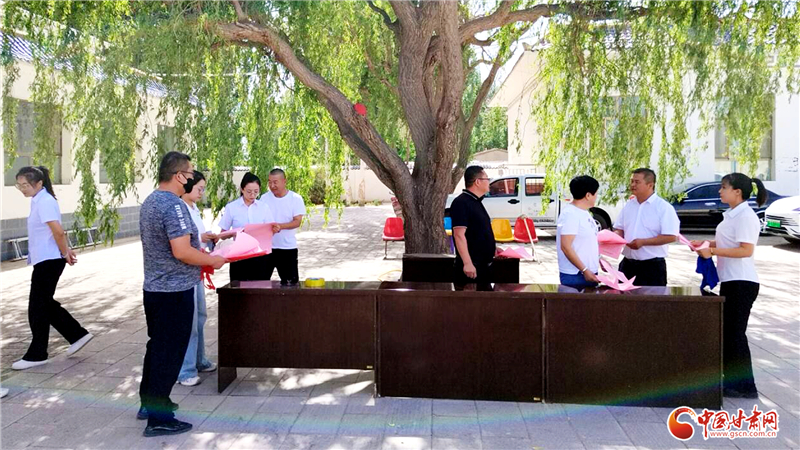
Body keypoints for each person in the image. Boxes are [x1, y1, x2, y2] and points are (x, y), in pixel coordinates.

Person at [138, 152, 226, 437]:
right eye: (190, 174)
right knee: (169, 353)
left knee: (156, 348)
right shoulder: (174, 205)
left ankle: (149, 403)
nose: (191, 178)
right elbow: (181, 251)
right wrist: (212, 260)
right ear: (179, 176)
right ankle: (159, 419)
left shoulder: (151, 201)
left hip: (155, 289)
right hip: (174, 291)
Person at [11, 166, 93, 371]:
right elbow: (52, 234)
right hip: (46, 259)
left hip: (49, 260)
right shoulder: (39, 200)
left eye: (25, 185)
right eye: (19, 185)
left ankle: (38, 354)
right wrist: (65, 250)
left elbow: (58, 231)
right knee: (44, 304)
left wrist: (65, 253)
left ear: (38, 183)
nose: (22, 189)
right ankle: (77, 335)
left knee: (37, 307)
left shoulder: (45, 201)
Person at [694, 173, 767, 399]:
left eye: (723, 187)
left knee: (735, 334)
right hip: (731, 280)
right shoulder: (732, 215)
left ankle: (746, 387)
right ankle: (732, 382)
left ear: (737, 192)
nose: (719, 191)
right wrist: (705, 244)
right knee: (729, 333)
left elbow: (746, 250)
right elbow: (729, 242)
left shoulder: (745, 216)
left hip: (742, 282)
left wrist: (712, 250)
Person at [176, 171, 218, 387]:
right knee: (189, 322)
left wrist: (208, 239)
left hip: (197, 271)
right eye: (199, 188)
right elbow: (183, 245)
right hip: (184, 274)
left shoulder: (193, 208)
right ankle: (185, 371)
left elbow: (196, 237)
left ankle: (199, 360)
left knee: (200, 317)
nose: (202, 193)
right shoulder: (179, 209)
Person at [613, 168, 680, 286]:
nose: (632, 185)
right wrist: (614, 237)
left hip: (652, 267)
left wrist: (643, 242)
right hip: (628, 265)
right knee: (622, 297)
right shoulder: (629, 205)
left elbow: (671, 236)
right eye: (631, 181)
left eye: (637, 182)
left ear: (650, 185)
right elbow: (620, 228)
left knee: (652, 298)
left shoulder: (663, 208)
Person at [218, 172, 274, 281]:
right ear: (242, 189)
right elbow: (223, 235)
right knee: (239, 288)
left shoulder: (264, 207)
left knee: (260, 287)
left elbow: (270, 230)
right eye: (249, 191)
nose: (252, 195)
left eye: (256, 192)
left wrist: (274, 229)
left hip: (260, 255)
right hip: (239, 256)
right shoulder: (232, 207)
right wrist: (237, 233)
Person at [450, 166, 497, 289]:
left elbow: (478, 232)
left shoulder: (476, 202)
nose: (489, 182)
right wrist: (467, 263)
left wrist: (492, 248)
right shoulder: (462, 203)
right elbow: (459, 235)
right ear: (478, 182)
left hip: (484, 267)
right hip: (471, 269)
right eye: (487, 179)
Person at [263, 168, 305, 286]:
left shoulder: (295, 199)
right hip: (266, 248)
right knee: (261, 283)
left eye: (275, 182)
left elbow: (297, 222)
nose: (272, 185)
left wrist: (280, 226)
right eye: (270, 182)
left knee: (290, 284)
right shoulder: (264, 198)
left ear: (284, 181)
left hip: (287, 248)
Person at [557, 175, 601, 289]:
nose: (596, 197)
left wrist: (599, 260)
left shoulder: (584, 212)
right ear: (588, 195)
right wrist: (584, 270)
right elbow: (566, 246)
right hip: (576, 275)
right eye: (596, 194)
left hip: (588, 272)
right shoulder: (570, 214)